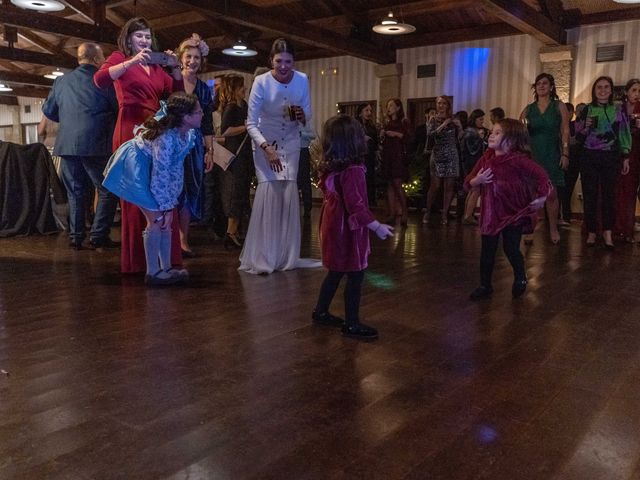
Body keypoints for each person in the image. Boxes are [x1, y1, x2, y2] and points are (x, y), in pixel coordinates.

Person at [94, 17, 184, 274]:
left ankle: (164, 261)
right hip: (129, 128)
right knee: (137, 194)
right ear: (128, 38)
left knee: (160, 189)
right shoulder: (118, 58)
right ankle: (138, 262)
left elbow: (176, 94)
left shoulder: (156, 69)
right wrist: (131, 62)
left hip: (154, 130)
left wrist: (175, 67)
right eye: (139, 36)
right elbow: (100, 80)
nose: (144, 40)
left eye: (147, 36)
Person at [239, 38, 321, 274]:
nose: (283, 66)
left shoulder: (302, 80)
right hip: (266, 142)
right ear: (271, 61)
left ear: (294, 62)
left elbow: (308, 115)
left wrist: (301, 115)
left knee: (287, 195)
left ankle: (286, 256)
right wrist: (266, 148)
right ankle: (264, 257)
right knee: (269, 193)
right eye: (278, 61)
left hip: (292, 143)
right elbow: (251, 123)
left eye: (288, 62)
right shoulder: (261, 82)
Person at [103, 92, 202, 285]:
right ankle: (153, 272)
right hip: (136, 168)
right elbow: (161, 172)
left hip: (152, 168)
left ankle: (165, 268)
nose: (202, 114)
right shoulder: (166, 138)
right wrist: (163, 206)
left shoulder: (186, 134)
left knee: (166, 218)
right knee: (156, 218)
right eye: (198, 112)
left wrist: (171, 201)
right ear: (186, 117)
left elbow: (175, 168)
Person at [312, 115, 393, 340]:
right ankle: (352, 323)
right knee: (355, 275)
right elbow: (356, 204)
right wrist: (376, 226)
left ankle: (321, 311)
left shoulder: (332, 167)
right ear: (351, 141)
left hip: (332, 226)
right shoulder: (353, 169)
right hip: (347, 231)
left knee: (336, 272)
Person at [42, 42, 119, 250]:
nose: (104, 60)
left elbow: (49, 110)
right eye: (102, 57)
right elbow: (117, 108)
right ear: (95, 59)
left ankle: (76, 237)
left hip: (67, 145)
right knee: (107, 190)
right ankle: (98, 235)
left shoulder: (61, 81)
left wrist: (68, 118)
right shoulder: (105, 81)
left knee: (75, 192)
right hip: (97, 144)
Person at [465, 119, 552, 300]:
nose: (491, 135)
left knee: (511, 248)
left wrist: (542, 197)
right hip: (490, 214)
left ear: (511, 141)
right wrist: (477, 181)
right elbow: (469, 181)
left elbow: (543, 177)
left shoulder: (518, 160)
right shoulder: (487, 158)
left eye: (498, 133)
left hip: (513, 214)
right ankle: (485, 285)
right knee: (487, 251)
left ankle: (520, 276)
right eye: (492, 132)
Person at [575, 76, 631, 249]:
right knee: (589, 195)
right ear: (594, 90)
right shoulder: (586, 109)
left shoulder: (618, 110)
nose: (603, 90)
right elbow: (577, 135)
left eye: (606, 87)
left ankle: (608, 232)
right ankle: (592, 232)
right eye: (599, 87)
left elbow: (624, 133)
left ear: (611, 90)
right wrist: (586, 126)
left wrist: (625, 156)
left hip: (611, 157)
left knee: (609, 196)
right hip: (589, 156)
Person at [174, 33, 215, 257]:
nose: (192, 61)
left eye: (197, 57)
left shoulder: (204, 89)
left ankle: (183, 239)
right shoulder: (172, 81)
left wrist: (209, 151)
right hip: (171, 142)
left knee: (190, 189)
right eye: (188, 56)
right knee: (170, 188)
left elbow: (207, 122)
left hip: (195, 145)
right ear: (181, 58)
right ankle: (167, 236)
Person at [520, 73, 570, 244]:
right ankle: (530, 229)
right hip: (533, 155)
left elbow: (565, 130)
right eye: (538, 84)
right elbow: (520, 132)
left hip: (552, 152)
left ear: (551, 86)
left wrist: (565, 153)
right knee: (532, 194)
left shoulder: (559, 106)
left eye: (545, 83)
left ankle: (553, 229)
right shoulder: (529, 109)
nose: (541, 86)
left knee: (551, 193)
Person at [219, 75, 252, 250]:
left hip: (245, 154)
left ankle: (237, 229)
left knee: (242, 192)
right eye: (241, 87)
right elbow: (225, 131)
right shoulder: (231, 108)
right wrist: (246, 127)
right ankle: (230, 232)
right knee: (236, 193)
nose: (244, 89)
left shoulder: (244, 105)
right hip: (236, 154)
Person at [422, 95, 462, 225]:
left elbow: (460, 138)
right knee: (435, 186)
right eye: (439, 103)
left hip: (451, 154)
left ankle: (445, 214)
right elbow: (430, 135)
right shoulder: (433, 119)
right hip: (438, 154)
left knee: (449, 186)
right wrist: (443, 124)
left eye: (444, 103)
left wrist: (460, 127)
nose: (441, 105)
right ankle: (427, 211)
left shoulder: (453, 119)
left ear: (448, 105)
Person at [614, 79, 640, 242]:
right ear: (626, 92)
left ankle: (628, 229)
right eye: (634, 90)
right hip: (620, 152)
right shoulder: (619, 109)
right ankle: (617, 227)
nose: (637, 94)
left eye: (639, 91)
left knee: (630, 192)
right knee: (618, 191)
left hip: (637, 152)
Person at [380, 98, 411, 226]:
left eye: (392, 105)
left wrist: (396, 134)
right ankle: (392, 213)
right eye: (388, 105)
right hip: (388, 155)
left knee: (397, 184)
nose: (389, 108)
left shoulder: (403, 121)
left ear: (398, 107)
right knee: (390, 184)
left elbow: (409, 138)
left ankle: (404, 212)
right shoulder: (387, 123)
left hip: (397, 155)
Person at [460, 108, 488, 225]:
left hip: (469, 163)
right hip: (472, 163)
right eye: (480, 119)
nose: (482, 121)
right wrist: (481, 139)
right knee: (475, 189)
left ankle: (467, 214)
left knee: (472, 189)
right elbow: (473, 150)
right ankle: (468, 215)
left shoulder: (469, 131)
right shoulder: (471, 133)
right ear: (475, 119)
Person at [355, 103, 379, 206]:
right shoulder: (355, 125)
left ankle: (370, 202)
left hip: (370, 156)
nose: (369, 113)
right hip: (359, 156)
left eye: (370, 111)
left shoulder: (371, 126)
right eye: (366, 110)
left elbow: (376, 142)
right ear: (360, 112)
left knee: (369, 179)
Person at [298, 121, 316, 218]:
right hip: (291, 151)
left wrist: (301, 133)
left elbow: (313, 135)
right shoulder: (288, 120)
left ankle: (307, 207)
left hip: (303, 151)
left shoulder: (306, 121)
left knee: (305, 179)